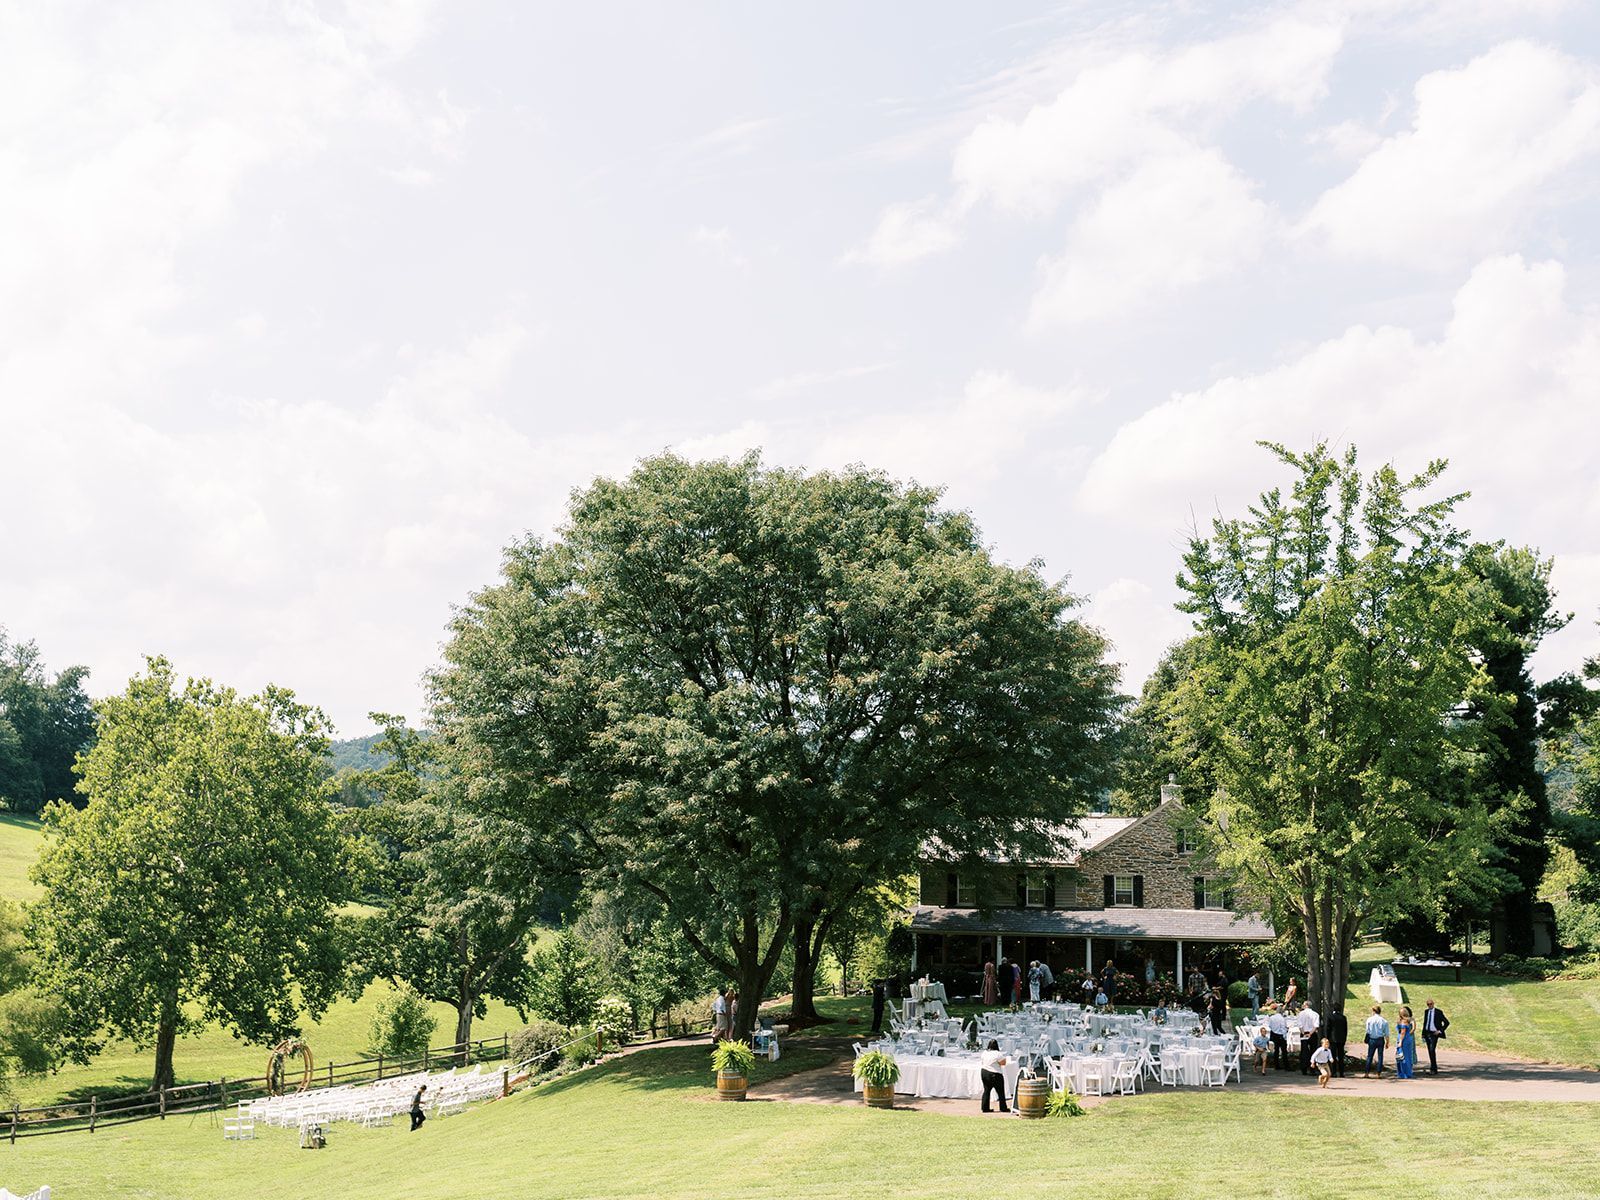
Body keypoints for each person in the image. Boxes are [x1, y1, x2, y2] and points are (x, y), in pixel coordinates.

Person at [979, 1039, 1009, 1113]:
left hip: (984, 1072)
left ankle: (985, 1108)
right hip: (995, 1074)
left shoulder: (984, 1053)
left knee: (986, 1091)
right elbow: (1003, 1063)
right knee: (1000, 1092)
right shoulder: (998, 1054)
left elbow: (982, 1061)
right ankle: (1003, 1107)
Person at [1421, 999, 1450, 1074]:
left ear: (1433, 1004)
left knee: (1432, 1050)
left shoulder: (1438, 1012)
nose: (1429, 1005)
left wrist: (1440, 1031)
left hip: (1434, 1034)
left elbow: (1446, 1022)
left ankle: (1434, 1069)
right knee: (1430, 1051)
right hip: (1427, 1033)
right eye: (1428, 1004)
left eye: (1431, 1004)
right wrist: (1423, 1034)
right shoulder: (1426, 1012)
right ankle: (1432, 1068)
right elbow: (1425, 1022)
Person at [1363, 1005, 1390, 1077]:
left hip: (1372, 1039)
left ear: (1374, 1011)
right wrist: (1387, 1042)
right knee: (1380, 1056)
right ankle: (1378, 1073)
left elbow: (1367, 1031)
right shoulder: (1384, 1021)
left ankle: (1367, 1073)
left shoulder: (1369, 1020)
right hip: (1380, 1039)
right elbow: (1386, 1033)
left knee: (1370, 1056)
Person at [1297, 1003, 1321, 1075]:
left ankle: (1304, 1069)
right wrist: (1310, 1033)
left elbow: (1300, 1025)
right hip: (1312, 1033)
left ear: (1305, 1005)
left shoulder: (1301, 1014)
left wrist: (1304, 1033)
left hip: (1304, 1032)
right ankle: (1312, 1069)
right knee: (1313, 1051)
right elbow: (1316, 1026)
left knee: (1304, 1051)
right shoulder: (1315, 1014)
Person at [1325, 1007, 1349, 1078]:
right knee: (1341, 1056)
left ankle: (1334, 1072)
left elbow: (1328, 1028)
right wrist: (1344, 1038)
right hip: (1341, 1039)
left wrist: (1327, 1037)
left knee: (1333, 1056)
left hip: (1333, 1039)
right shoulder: (1343, 1017)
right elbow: (1345, 1029)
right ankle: (1341, 1072)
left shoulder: (1330, 1017)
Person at [1395, 1006, 1416, 1080]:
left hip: (1403, 1039)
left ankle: (1404, 1073)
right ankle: (1404, 1072)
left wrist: (1400, 1041)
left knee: (1403, 1056)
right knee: (1405, 1055)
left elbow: (1403, 1032)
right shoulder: (1404, 1020)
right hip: (1407, 1038)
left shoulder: (1404, 1021)